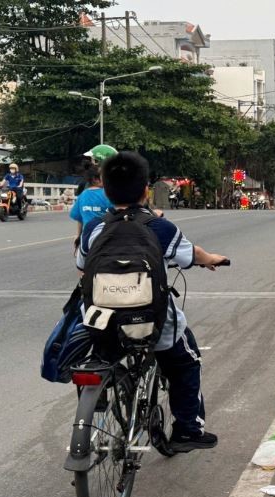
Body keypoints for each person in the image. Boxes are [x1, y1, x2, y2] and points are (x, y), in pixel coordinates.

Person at [77, 151, 228, 452]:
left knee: (94, 350)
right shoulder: (159, 227)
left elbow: (82, 264)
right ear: (146, 190)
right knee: (187, 361)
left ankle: (101, 394)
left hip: (102, 321)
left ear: (105, 190)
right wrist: (211, 259)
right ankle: (187, 429)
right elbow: (190, 255)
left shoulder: (94, 228)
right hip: (150, 323)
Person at [69, 167, 112, 247]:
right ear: (95, 179)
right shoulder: (107, 195)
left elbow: (80, 219)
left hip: (87, 237)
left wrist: (78, 236)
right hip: (105, 236)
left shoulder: (82, 195)